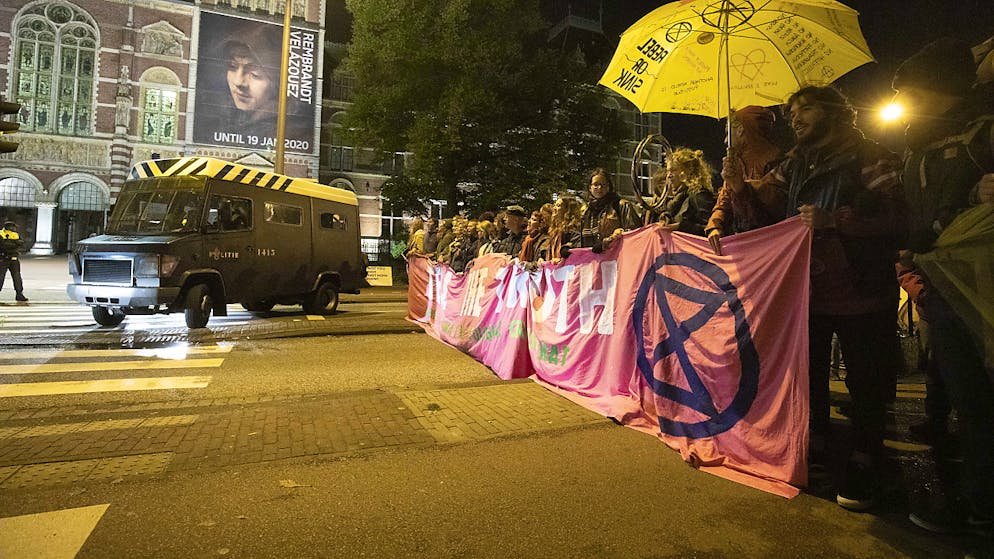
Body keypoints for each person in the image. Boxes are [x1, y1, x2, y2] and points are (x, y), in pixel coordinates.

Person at [724, 85, 906, 511]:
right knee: (808, 375)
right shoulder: (794, 163)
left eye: (805, 108)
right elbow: (762, 217)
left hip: (862, 287)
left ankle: (866, 457)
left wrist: (839, 222)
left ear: (833, 111)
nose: (796, 117)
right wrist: (739, 190)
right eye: (791, 112)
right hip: (810, 287)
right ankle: (816, 445)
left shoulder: (871, 156)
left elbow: (899, 217)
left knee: (866, 379)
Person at [888, 38, 994, 535]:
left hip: (982, 288)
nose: (903, 99)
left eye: (910, 88)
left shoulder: (982, 136)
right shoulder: (914, 151)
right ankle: (978, 506)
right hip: (942, 290)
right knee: (970, 402)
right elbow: (914, 221)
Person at [706, 106, 785, 255]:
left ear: (741, 129)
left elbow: (774, 210)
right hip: (743, 248)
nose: (725, 141)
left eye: (728, 133)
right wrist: (715, 226)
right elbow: (723, 202)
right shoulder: (736, 164)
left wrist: (742, 186)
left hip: (769, 250)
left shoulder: (776, 162)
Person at [648, 147, 717, 236]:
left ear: (687, 171)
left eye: (673, 170)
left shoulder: (699, 195)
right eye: (668, 171)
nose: (668, 176)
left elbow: (712, 229)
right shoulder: (680, 199)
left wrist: (681, 227)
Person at [577, 168, 640, 254]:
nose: (599, 188)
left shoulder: (620, 205)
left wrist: (611, 239)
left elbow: (634, 233)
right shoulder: (585, 211)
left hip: (616, 259)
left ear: (609, 187)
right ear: (590, 188)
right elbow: (578, 238)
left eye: (603, 184)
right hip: (591, 262)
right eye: (596, 184)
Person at [548, 194, 583, 262]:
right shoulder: (555, 230)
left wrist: (563, 254)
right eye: (554, 205)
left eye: (558, 206)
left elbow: (576, 248)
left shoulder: (573, 228)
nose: (554, 208)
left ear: (567, 210)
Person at [0, 221, 28, 302]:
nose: (15, 229)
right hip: (3, 258)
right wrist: (15, 243)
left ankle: (19, 294)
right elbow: (4, 246)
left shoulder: (15, 234)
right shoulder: (1, 234)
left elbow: (22, 243)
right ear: (9, 227)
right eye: (13, 227)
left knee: (17, 277)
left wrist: (11, 243)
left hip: (13, 258)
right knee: (1, 277)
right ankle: (19, 294)